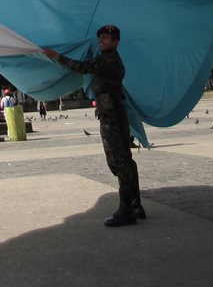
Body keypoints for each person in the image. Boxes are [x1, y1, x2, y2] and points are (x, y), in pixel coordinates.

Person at [43, 25, 144, 227]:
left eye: (105, 38)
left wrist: (57, 56)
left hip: (111, 116)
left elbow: (82, 67)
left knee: (118, 161)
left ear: (115, 41)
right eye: (100, 38)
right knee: (126, 158)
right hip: (115, 112)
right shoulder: (110, 57)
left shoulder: (107, 60)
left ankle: (126, 210)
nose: (101, 41)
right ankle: (135, 205)